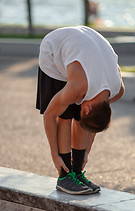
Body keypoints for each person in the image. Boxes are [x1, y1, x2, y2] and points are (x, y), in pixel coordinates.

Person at [36, 26, 125, 195]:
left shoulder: (116, 91)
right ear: (89, 108)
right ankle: (64, 177)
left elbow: (93, 124)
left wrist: (85, 153)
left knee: (82, 117)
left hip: (84, 46)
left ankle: (76, 171)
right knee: (65, 115)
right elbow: (50, 115)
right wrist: (55, 156)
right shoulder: (78, 87)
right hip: (54, 50)